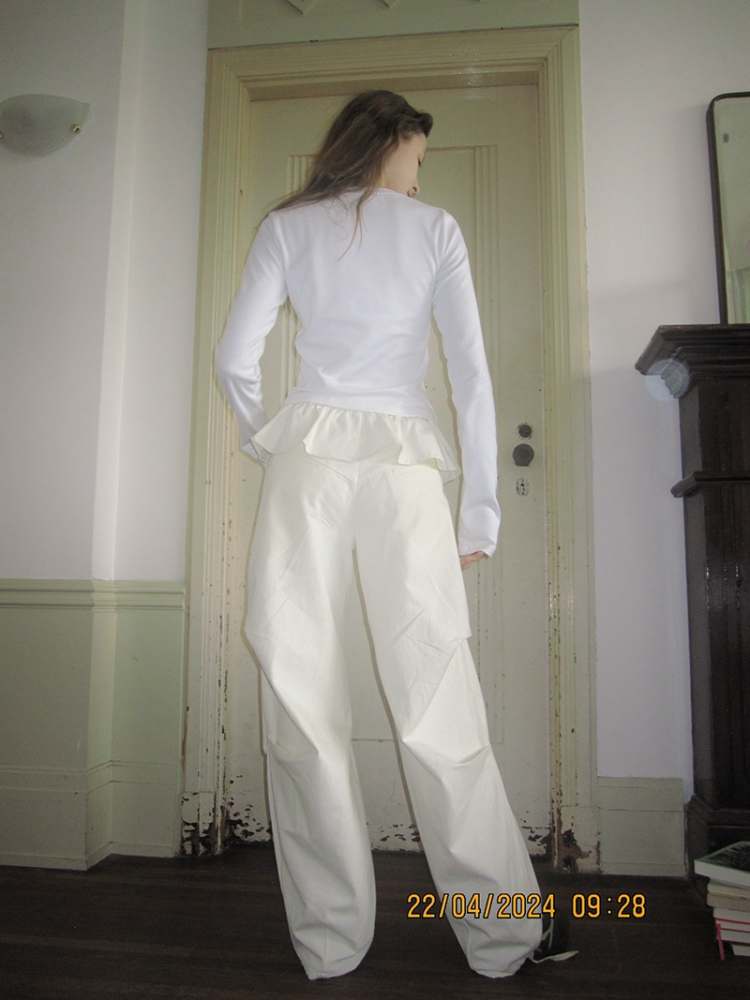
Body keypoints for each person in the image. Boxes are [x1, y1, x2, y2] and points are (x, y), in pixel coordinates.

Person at [214, 89, 578, 980]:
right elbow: (472, 376)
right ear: (395, 141)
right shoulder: (435, 230)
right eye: (418, 156)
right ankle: (504, 937)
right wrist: (480, 508)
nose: (419, 175)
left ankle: (329, 942)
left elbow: (234, 360)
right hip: (406, 467)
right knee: (438, 696)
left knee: (299, 696)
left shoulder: (286, 228)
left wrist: (272, 438)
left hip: (308, 459)